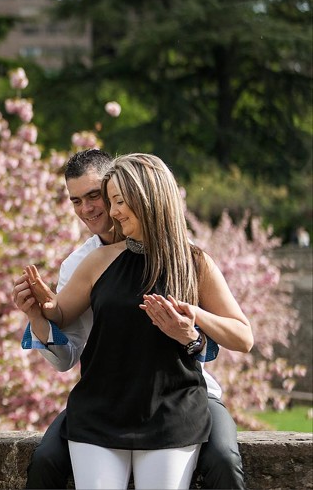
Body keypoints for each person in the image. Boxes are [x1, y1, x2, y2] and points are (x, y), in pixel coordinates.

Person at [14, 150, 251, 489]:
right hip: (104, 402)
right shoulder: (87, 262)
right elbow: (63, 327)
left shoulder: (191, 260)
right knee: (45, 461)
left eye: (104, 198)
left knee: (224, 462)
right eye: (77, 201)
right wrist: (40, 310)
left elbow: (241, 337)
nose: (101, 210)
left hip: (172, 400)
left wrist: (193, 320)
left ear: (147, 198)